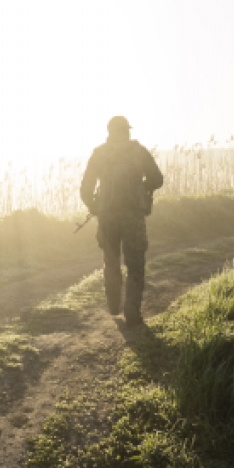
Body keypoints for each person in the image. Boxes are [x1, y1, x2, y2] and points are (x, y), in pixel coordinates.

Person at [79, 116, 164, 327]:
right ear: (127, 131)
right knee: (135, 264)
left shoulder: (99, 153)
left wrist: (95, 207)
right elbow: (157, 179)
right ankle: (132, 312)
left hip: (107, 217)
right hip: (133, 217)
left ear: (109, 132)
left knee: (111, 260)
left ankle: (114, 305)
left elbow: (85, 189)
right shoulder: (138, 151)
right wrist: (141, 188)